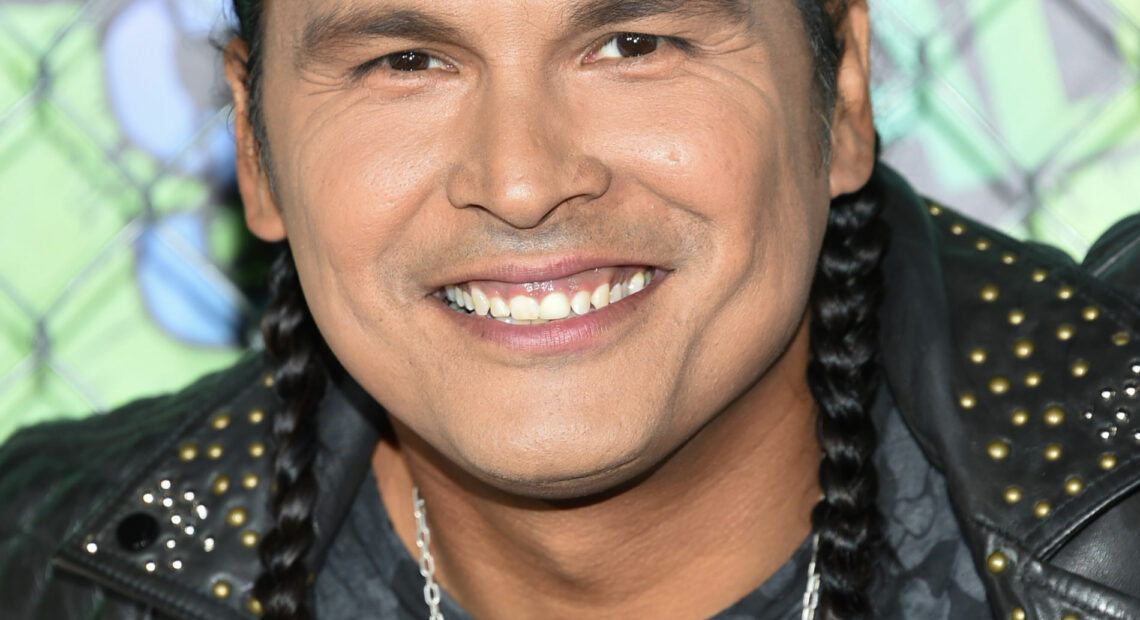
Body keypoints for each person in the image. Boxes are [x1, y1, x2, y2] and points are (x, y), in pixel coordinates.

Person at [1, 0, 1139, 619]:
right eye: (406, 59)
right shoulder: (43, 566)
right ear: (254, 148)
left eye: (633, 44)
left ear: (838, 89)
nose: (523, 175)